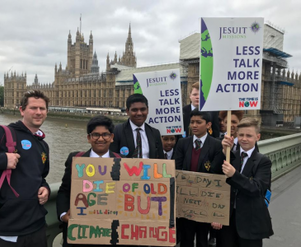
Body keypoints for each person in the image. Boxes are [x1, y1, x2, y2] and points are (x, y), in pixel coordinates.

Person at [0, 90, 50, 247]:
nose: (38, 112)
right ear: (21, 110)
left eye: (42, 109)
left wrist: (45, 187)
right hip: (4, 231)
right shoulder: (2, 133)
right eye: (33, 108)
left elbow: (39, 176)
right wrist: (1, 160)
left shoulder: (43, 144)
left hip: (36, 228)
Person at [56, 115, 120, 247]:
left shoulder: (122, 162)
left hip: (110, 232)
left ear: (112, 137)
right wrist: (63, 215)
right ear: (89, 138)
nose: (100, 139)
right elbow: (64, 190)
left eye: (105, 135)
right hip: (80, 233)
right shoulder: (75, 159)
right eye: (95, 135)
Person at [212, 118, 273, 247]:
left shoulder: (263, 162)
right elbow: (215, 177)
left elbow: (256, 189)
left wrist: (234, 174)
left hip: (250, 223)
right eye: (241, 135)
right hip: (227, 221)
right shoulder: (230, 156)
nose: (244, 139)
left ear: (258, 137)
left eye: (249, 135)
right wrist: (223, 151)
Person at [174, 109, 225, 247]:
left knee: (203, 238)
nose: (194, 125)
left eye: (198, 122)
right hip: (185, 199)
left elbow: (217, 173)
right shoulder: (182, 143)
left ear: (208, 125)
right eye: (192, 122)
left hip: (205, 200)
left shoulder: (216, 145)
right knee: (186, 238)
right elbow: (176, 169)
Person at [110, 94, 164, 159]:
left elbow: (161, 159)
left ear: (147, 110)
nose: (139, 113)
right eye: (134, 110)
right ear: (127, 111)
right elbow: (112, 158)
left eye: (143, 109)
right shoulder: (117, 131)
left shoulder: (155, 133)